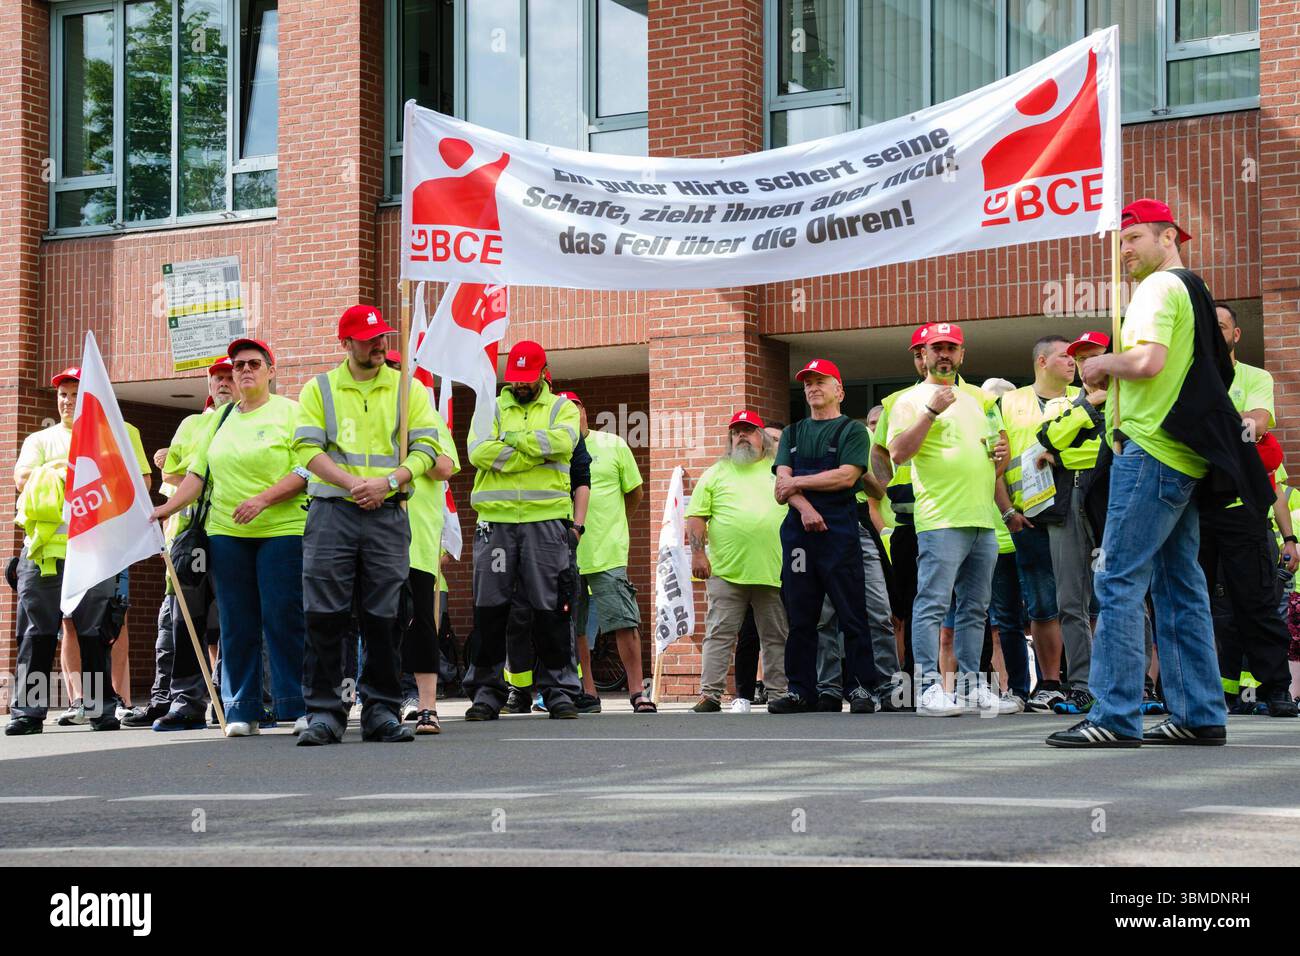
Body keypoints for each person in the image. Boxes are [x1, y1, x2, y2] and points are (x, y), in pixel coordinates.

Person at [1048, 199, 1273, 748]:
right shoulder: (1193, 290)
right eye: (1121, 241)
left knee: (1119, 579)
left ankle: (1114, 715)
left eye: (1134, 239)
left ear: (1168, 236)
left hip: (1150, 451)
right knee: (1181, 586)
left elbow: (1147, 361)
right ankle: (1199, 714)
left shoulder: (1155, 289)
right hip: (1183, 457)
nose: (1124, 251)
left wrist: (1101, 364)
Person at [293, 305, 454, 746]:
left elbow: (426, 448)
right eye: (368, 339)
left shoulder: (408, 389)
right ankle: (325, 713)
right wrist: (351, 484)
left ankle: (381, 709)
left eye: (383, 336)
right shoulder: (319, 388)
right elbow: (306, 449)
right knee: (325, 615)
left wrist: (388, 482)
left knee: (386, 616)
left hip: (387, 512)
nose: (380, 344)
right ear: (345, 343)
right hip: (332, 513)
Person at [151, 339, 312, 737]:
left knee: (283, 616)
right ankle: (242, 709)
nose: (244, 371)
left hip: (282, 529)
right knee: (235, 621)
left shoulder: (291, 412)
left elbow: (307, 469)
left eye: (253, 364)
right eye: (238, 365)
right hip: (226, 533)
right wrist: (162, 511)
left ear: (271, 371)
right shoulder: (220, 419)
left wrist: (263, 499)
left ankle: (297, 705)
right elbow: (195, 477)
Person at [887, 323, 1017, 717]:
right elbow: (898, 453)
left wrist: (1003, 453)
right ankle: (927, 688)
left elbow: (999, 462)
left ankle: (973, 686)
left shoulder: (979, 399)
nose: (944, 354)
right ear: (923, 355)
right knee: (931, 604)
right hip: (940, 518)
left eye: (951, 348)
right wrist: (930, 412)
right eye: (936, 347)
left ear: (963, 355)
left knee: (976, 608)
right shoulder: (909, 400)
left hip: (982, 518)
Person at [462, 340, 583, 720]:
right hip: (496, 521)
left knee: (551, 610)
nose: (519, 385)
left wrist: (510, 444)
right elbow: (477, 451)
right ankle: (486, 691)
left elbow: (564, 443)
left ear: (545, 374)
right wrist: (533, 452)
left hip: (545, 520)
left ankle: (558, 689)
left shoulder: (562, 408)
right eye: (514, 379)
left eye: (527, 379)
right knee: (490, 611)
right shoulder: (492, 406)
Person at [1196, 303, 1298, 718]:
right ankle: (1196, 692)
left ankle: (1276, 690)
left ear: (1236, 335)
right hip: (1193, 508)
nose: (1216, 333)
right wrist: (1235, 428)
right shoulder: (1187, 376)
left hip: (1242, 509)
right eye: (1209, 327)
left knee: (1255, 600)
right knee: (1194, 602)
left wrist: (1216, 426)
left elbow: (1259, 422)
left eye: (1222, 327)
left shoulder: (1256, 376)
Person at [6, 368, 122, 734]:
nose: (68, 401)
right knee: (37, 637)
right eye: (63, 395)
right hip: (44, 556)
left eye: (75, 395)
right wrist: (62, 470)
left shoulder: (105, 441)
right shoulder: (40, 439)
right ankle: (28, 712)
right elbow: (22, 478)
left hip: (91, 553)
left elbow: (117, 487)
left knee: (92, 635)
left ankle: (98, 707)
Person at [125, 357, 236, 728]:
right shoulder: (192, 423)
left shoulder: (254, 417)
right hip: (191, 534)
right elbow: (174, 473)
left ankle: (237, 697)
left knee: (234, 620)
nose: (222, 382)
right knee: (185, 621)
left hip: (241, 531)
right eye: (215, 376)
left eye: (228, 375)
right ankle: (186, 700)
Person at [772, 359, 886, 714]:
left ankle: (861, 688)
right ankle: (801, 690)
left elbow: (847, 477)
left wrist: (799, 482)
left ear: (839, 390)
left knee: (852, 612)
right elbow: (780, 487)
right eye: (807, 383)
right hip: (799, 534)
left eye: (820, 381)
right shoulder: (791, 433)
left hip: (839, 530)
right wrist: (805, 508)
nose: (812, 388)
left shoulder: (851, 431)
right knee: (802, 615)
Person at [996, 336, 1079, 711]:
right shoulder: (1008, 402)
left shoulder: (1084, 396)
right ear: (1042, 361)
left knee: (1082, 603)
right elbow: (993, 462)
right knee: (1043, 605)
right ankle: (1049, 683)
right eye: (1066, 355)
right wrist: (1007, 511)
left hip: (1077, 516)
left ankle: (1085, 681)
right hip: (1029, 518)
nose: (1073, 362)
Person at [686, 410, 788, 713]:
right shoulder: (717, 472)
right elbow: (696, 517)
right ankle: (710, 694)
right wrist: (698, 553)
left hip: (773, 570)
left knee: (776, 636)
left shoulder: (779, 470)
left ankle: (779, 693)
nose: (742, 436)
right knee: (719, 633)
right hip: (727, 571)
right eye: (736, 431)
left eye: (749, 430)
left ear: (764, 438)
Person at [568, 391, 654, 713]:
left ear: (584, 411)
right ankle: (588, 691)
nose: (571, 416)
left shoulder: (614, 444)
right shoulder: (556, 451)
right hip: (568, 553)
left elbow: (635, 493)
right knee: (575, 627)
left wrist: (615, 524)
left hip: (608, 551)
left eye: (575, 408)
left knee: (624, 621)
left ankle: (637, 691)